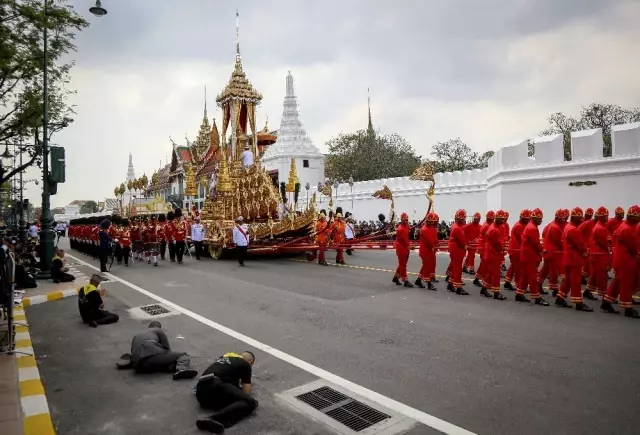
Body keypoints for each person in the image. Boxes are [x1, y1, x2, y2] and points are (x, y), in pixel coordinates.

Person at [195, 351, 258, 433]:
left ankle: (214, 419)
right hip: (216, 385)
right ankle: (214, 419)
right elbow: (246, 392)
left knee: (235, 401)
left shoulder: (224, 360)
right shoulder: (245, 363)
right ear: (250, 362)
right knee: (250, 402)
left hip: (201, 394)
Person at [116, 321, 198, 379]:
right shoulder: (158, 331)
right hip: (151, 355)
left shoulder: (137, 335)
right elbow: (167, 350)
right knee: (182, 355)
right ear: (158, 327)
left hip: (138, 365)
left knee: (157, 359)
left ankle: (168, 367)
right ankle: (181, 369)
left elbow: (133, 350)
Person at [602, 206, 640, 318]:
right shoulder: (627, 229)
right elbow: (633, 247)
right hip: (626, 260)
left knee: (617, 282)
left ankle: (606, 302)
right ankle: (627, 308)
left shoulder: (622, 226)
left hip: (619, 258)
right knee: (626, 284)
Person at [556, 207, 592, 311]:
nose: (582, 220)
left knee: (567, 280)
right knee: (576, 282)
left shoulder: (567, 227)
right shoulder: (574, 230)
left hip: (568, 257)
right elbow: (580, 245)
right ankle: (578, 302)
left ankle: (560, 297)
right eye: (580, 218)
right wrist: (586, 252)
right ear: (575, 219)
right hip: (574, 259)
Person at [517, 208, 549, 305]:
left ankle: (519, 294)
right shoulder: (532, 228)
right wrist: (542, 251)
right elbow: (535, 243)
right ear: (534, 218)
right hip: (530, 256)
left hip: (527, 255)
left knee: (526, 276)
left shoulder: (530, 226)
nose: (541, 220)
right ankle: (536, 296)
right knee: (533, 277)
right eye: (539, 219)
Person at [537, 209, 567, 296]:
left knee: (544, 270)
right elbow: (558, 242)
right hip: (553, 253)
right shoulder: (555, 227)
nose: (564, 220)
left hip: (548, 252)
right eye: (563, 218)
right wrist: (564, 249)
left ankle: (538, 285)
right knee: (554, 272)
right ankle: (554, 289)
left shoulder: (552, 225)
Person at [481, 209, 508, 300]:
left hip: (491, 252)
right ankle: (496, 292)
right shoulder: (494, 229)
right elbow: (497, 244)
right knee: (496, 273)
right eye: (502, 219)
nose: (503, 221)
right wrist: (502, 250)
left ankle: (484, 288)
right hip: (493, 253)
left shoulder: (496, 226)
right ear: (497, 219)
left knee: (491, 272)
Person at [504, 209, 531, 291]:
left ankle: (507, 282)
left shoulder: (521, 225)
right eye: (527, 219)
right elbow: (522, 240)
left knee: (513, 267)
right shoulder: (519, 226)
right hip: (516, 250)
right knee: (519, 269)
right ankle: (519, 286)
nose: (528, 220)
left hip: (516, 249)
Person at [586, 207, 610, 298]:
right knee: (603, 276)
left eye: (607, 216)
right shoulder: (600, 228)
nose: (606, 218)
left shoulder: (601, 226)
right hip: (599, 255)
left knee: (595, 274)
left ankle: (588, 291)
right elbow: (603, 243)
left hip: (596, 253)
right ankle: (605, 297)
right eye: (604, 216)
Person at [447, 209, 468, 295]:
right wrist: (466, 246)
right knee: (458, 269)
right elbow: (462, 241)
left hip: (455, 249)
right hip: (457, 250)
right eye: (463, 219)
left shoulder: (455, 225)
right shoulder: (458, 228)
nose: (464, 220)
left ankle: (450, 284)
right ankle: (458, 287)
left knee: (456, 267)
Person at [415, 212, 438, 290]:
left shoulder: (431, 227)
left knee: (425, 266)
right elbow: (428, 242)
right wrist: (434, 246)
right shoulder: (424, 229)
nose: (433, 223)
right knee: (427, 267)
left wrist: (436, 243)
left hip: (429, 250)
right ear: (427, 221)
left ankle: (418, 280)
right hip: (425, 251)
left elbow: (433, 238)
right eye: (431, 221)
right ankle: (428, 283)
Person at [473, 211, 494, 287]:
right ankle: (485, 281)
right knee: (485, 265)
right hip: (484, 248)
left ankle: (477, 279)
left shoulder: (486, 224)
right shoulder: (487, 226)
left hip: (483, 247)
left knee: (483, 264)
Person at [392, 212, 413, 287]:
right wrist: (408, 246)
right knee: (403, 265)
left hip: (405, 247)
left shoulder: (406, 226)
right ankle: (405, 280)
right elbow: (403, 241)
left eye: (407, 220)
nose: (406, 221)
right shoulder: (400, 229)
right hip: (401, 247)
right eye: (405, 220)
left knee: (402, 264)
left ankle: (395, 277)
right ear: (401, 220)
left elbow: (407, 238)